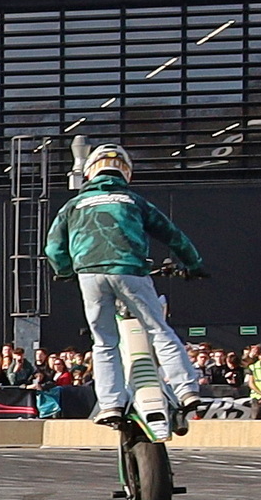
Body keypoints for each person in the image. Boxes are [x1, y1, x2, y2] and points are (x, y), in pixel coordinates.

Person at [42, 143, 206, 436]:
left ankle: (111, 405)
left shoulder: (73, 205)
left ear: (90, 173)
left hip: (90, 274)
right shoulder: (134, 201)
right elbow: (174, 236)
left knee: (104, 341)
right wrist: (194, 265)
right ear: (126, 172)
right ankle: (186, 390)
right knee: (159, 330)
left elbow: (53, 247)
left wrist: (65, 271)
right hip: (130, 271)